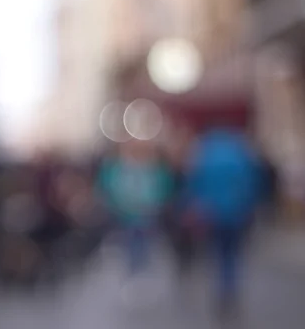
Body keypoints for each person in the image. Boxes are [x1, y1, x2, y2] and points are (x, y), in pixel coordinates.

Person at [184, 128, 262, 319]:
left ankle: (221, 290)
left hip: (212, 214)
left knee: (218, 253)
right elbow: (250, 184)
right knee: (233, 255)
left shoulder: (204, 154)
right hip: (236, 212)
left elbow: (194, 184)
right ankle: (230, 288)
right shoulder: (240, 154)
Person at [96, 140, 174, 278]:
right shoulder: (123, 168)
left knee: (140, 239)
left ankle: (138, 265)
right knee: (134, 239)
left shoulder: (146, 168)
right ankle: (136, 266)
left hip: (140, 210)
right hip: (133, 211)